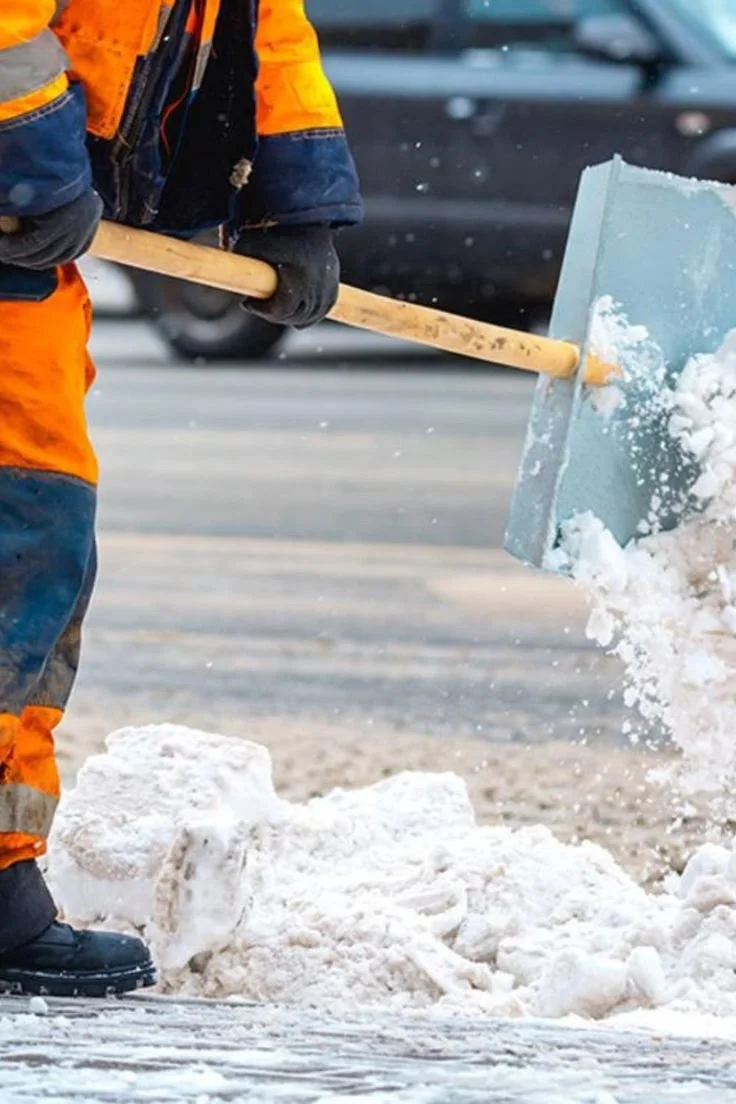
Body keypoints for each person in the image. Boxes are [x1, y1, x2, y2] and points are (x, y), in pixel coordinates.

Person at [0, 0, 361, 997]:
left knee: (34, 560)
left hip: (24, 260)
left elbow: (263, 28)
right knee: (18, 545)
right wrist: (28, 156)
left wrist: (296, 208)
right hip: (15, 219)